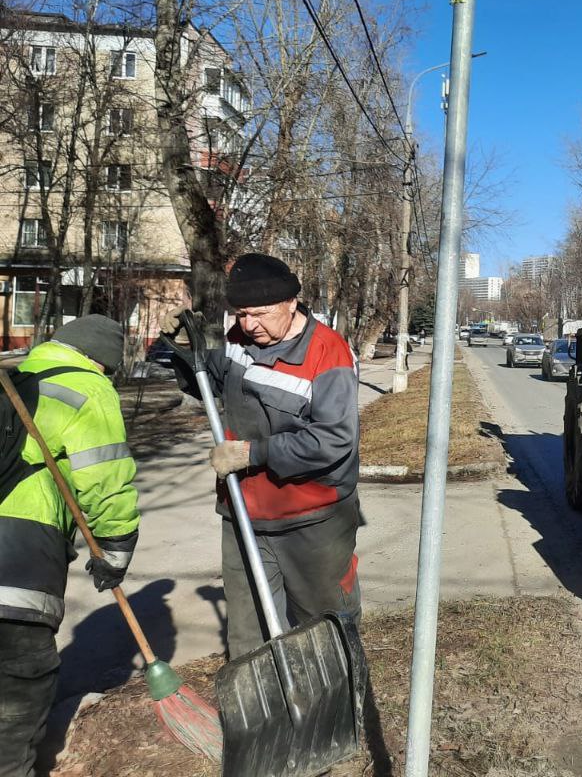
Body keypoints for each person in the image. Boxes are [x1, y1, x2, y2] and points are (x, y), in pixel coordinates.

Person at [168, 253, 361, 659]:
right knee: (248, 637)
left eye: (260, 313)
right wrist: (183, 353)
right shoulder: (240, 341)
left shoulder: (329, 353)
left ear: (292, 302)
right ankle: (265, 719)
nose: (249, 324)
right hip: (242, 514)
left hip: (312, 520)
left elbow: (333, 439)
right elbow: (209, 380)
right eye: (241, 314)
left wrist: (252, 454)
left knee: (323, 631)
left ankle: (334, 714)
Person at [0, 315, 139, 777]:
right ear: (103, 362)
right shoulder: (89, 388)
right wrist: (115, 549)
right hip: (20, 559)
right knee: (18, 691)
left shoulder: (16, 376)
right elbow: (103, 478)